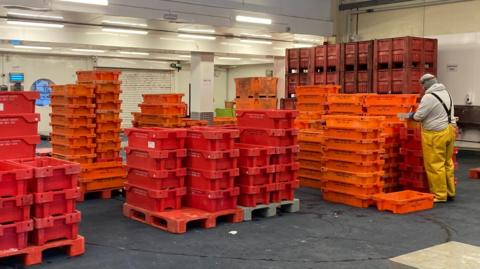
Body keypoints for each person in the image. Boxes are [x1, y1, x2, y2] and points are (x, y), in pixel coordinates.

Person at [408, 74, 456, 202]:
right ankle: (450, 192)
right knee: (447, 163)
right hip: (449, 131)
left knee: (435, 165)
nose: (422, 88)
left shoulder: (428, 97)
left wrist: (410, 115)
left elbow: (419, 116)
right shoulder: (447, 93)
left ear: (426, 84)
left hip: (435, 134)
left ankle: (439, 195)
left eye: (422, 85)